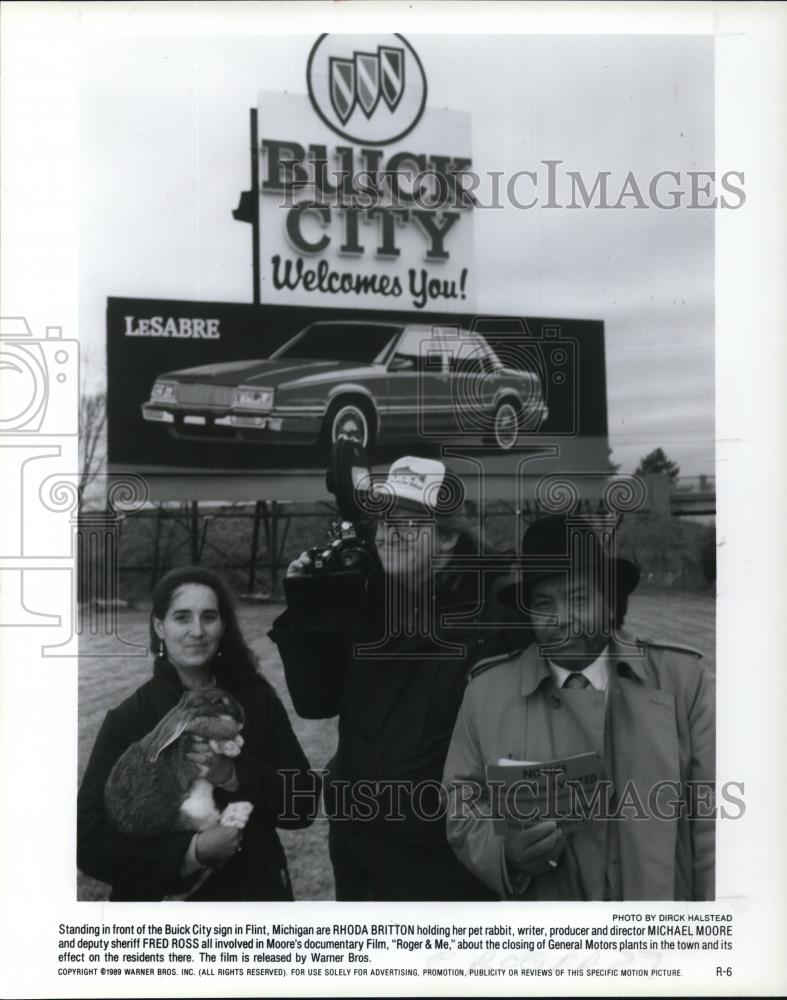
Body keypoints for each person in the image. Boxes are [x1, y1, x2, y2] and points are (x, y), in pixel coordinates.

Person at [269, 456, 516, 901]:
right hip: (359, 853)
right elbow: (315, 700)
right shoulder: (369, 596)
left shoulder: (497, 612)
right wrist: (308, 609)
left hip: (444, 862)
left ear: (447, 535)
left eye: (408, 520)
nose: (388, 531)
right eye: (381, 519)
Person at [443, 513, 715, 901]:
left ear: (608, 604)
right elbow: (463, 803)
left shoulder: (682, 681)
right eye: (543, 602)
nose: (562, 619)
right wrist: (505, 854)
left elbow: (714, 824)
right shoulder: (485, 694)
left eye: (577, 598)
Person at [77, 565, 317, 901]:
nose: (197, 630)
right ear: (159, 626)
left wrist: (234, 774)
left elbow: (304, 802)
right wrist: (192, 851)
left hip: (253, 899)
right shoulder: (130, 718)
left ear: (223, 626)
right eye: (181, 617)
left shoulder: (255, 700)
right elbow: (87, 840)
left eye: (209, 617)